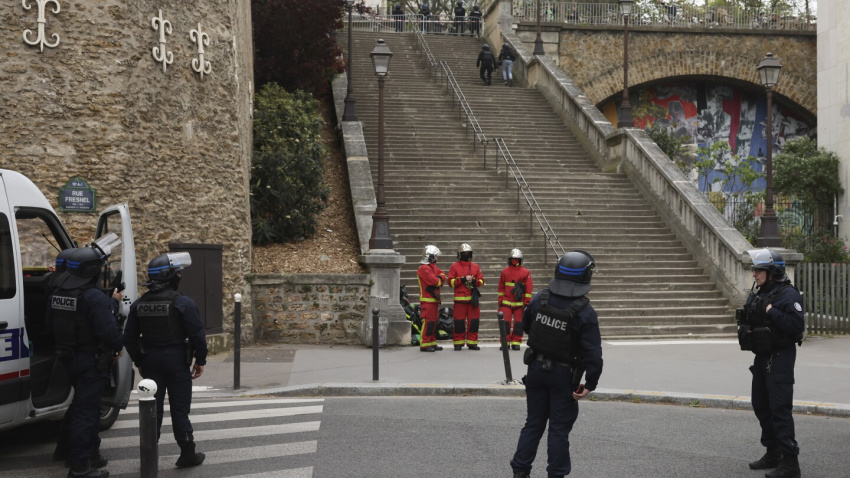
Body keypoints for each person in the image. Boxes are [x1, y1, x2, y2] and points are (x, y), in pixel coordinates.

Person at [510, 251, 603, 478]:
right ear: (585, 276)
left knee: (533, 424)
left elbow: (528, 327)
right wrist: (590, 383)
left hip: (536, 371)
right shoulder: (585, 311)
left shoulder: (539, 298)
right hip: (564, 375)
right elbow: (593, 354)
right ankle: (556, 474)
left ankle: (520, 471)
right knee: (559, 430)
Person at [123, 252, 208, 468]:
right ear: (170, 277)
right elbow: (198, 335)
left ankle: (149, 456)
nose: (180, 275)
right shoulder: (182, 303)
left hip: (151, 360)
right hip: (176, 361)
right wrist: (200, 360)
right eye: (177, 273)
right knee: (179, 409)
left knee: (152, 410)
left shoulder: (139, 305)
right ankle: (187, 453)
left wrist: (140, 361)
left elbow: (129, 338)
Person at [47, 245, 125, 478]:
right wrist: (119, 345)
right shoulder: (92, 297)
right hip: (91, 360)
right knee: (87, 412)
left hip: (68, 358)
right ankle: (80, 466)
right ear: (92, 271)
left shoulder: (58, 293)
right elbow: (107, 330)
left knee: (81, 406)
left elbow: (50, 324)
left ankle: (80, 453)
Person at [737, 249, 804, 478]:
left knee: (779, 409)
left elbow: (796, 327)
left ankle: (791, 463)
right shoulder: (761, 292)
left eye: (758, 270)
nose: (754, 274)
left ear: (772, 272)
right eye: (754, 269)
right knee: (761, 405)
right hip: (762, 356)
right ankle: (773, 452)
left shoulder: (788, 295)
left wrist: (770, 311)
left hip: (781, 357)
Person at [448, 243, 485, 351]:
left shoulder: (475, 266)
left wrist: (474, 281)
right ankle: (458, 343)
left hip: (472, 300)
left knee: (474, 322)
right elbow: (450, 282)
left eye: (467, 253)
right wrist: (462, 279)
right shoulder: (454, 266)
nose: (466, 254)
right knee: (459, 323)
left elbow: (482, 281)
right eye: (464, 253)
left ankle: (472, 343)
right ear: (459, 254)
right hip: (460, 301)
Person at [498, 248, 533, 350]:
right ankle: (504, 342)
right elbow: (501, 287)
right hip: (506, 302)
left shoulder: (525, 272)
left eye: (517, 259)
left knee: (518, 324)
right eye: (513, 259)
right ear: (509, 260)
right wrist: (500, 300)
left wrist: (527, 302)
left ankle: (516, 342)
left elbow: (528, 288)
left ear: (520, 260)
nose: (515, 261)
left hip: (519, 303)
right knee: (505, 324)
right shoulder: (504, 271)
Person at [417, 245, 447, 352]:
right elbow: (436, 281)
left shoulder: (432, 267)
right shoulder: (423, 269)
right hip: (427, 301)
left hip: (434, 300)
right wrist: (440, 279)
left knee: (434, 322)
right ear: (430, 256)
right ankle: (424, 344)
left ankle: (432, 342)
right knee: (428, 322)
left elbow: (442, 274)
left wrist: (440, 277)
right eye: (436, 256)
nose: (437, 258)